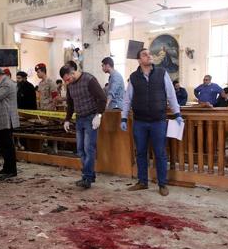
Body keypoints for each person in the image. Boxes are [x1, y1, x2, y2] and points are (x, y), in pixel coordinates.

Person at [121, 48, 183, 196]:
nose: (148, 56)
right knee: (141, 152)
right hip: (140, 122)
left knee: (160, 153)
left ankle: (162, 184)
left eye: (149, 54)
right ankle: (142, 182)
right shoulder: (134, 77)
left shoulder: (162, 73)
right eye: (144, 54)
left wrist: (177, 113)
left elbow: (171, 94)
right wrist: (123, 117)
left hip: (158, 121)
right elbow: (127, 99)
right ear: (139, 60)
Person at [61, 61, 107, 189]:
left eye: (68, 79)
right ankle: (90, 175)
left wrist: (98, 115)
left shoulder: (89, 80)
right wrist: (67, 119)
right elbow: (70, 104)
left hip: (91, 118)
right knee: (81, 149)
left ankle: (86, 177)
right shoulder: (70, 85)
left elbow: (102, 98)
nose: (67, 82)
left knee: (88, 148)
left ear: (72, 72)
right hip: (79, 118)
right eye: (65, 81)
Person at [0, 66, 20, 180]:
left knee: (8, 146)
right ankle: (7, 168)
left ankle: (11, 170)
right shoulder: (4, 83)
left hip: (7, 119)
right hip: (3, 119)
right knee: (4, 145)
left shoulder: (6, 83)